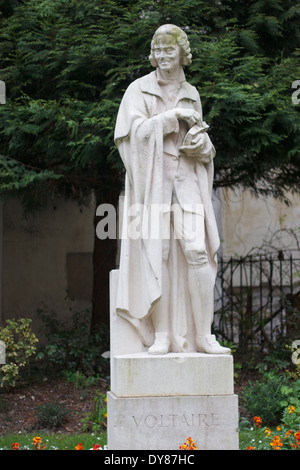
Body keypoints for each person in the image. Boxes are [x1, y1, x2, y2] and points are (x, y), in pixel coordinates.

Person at [114, 24, 230, 355]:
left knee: (198, 253)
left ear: (182, 52)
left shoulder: (191, 92)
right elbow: (130, 137)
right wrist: (171, 117)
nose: (164, 57)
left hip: (187, 183)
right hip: (155, 187)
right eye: (159, 50)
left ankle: (203, 336)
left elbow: (202, 143)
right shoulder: (138, 90)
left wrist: (202, 148)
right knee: (158, 253)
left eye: (170, 50)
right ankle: (162, 334)